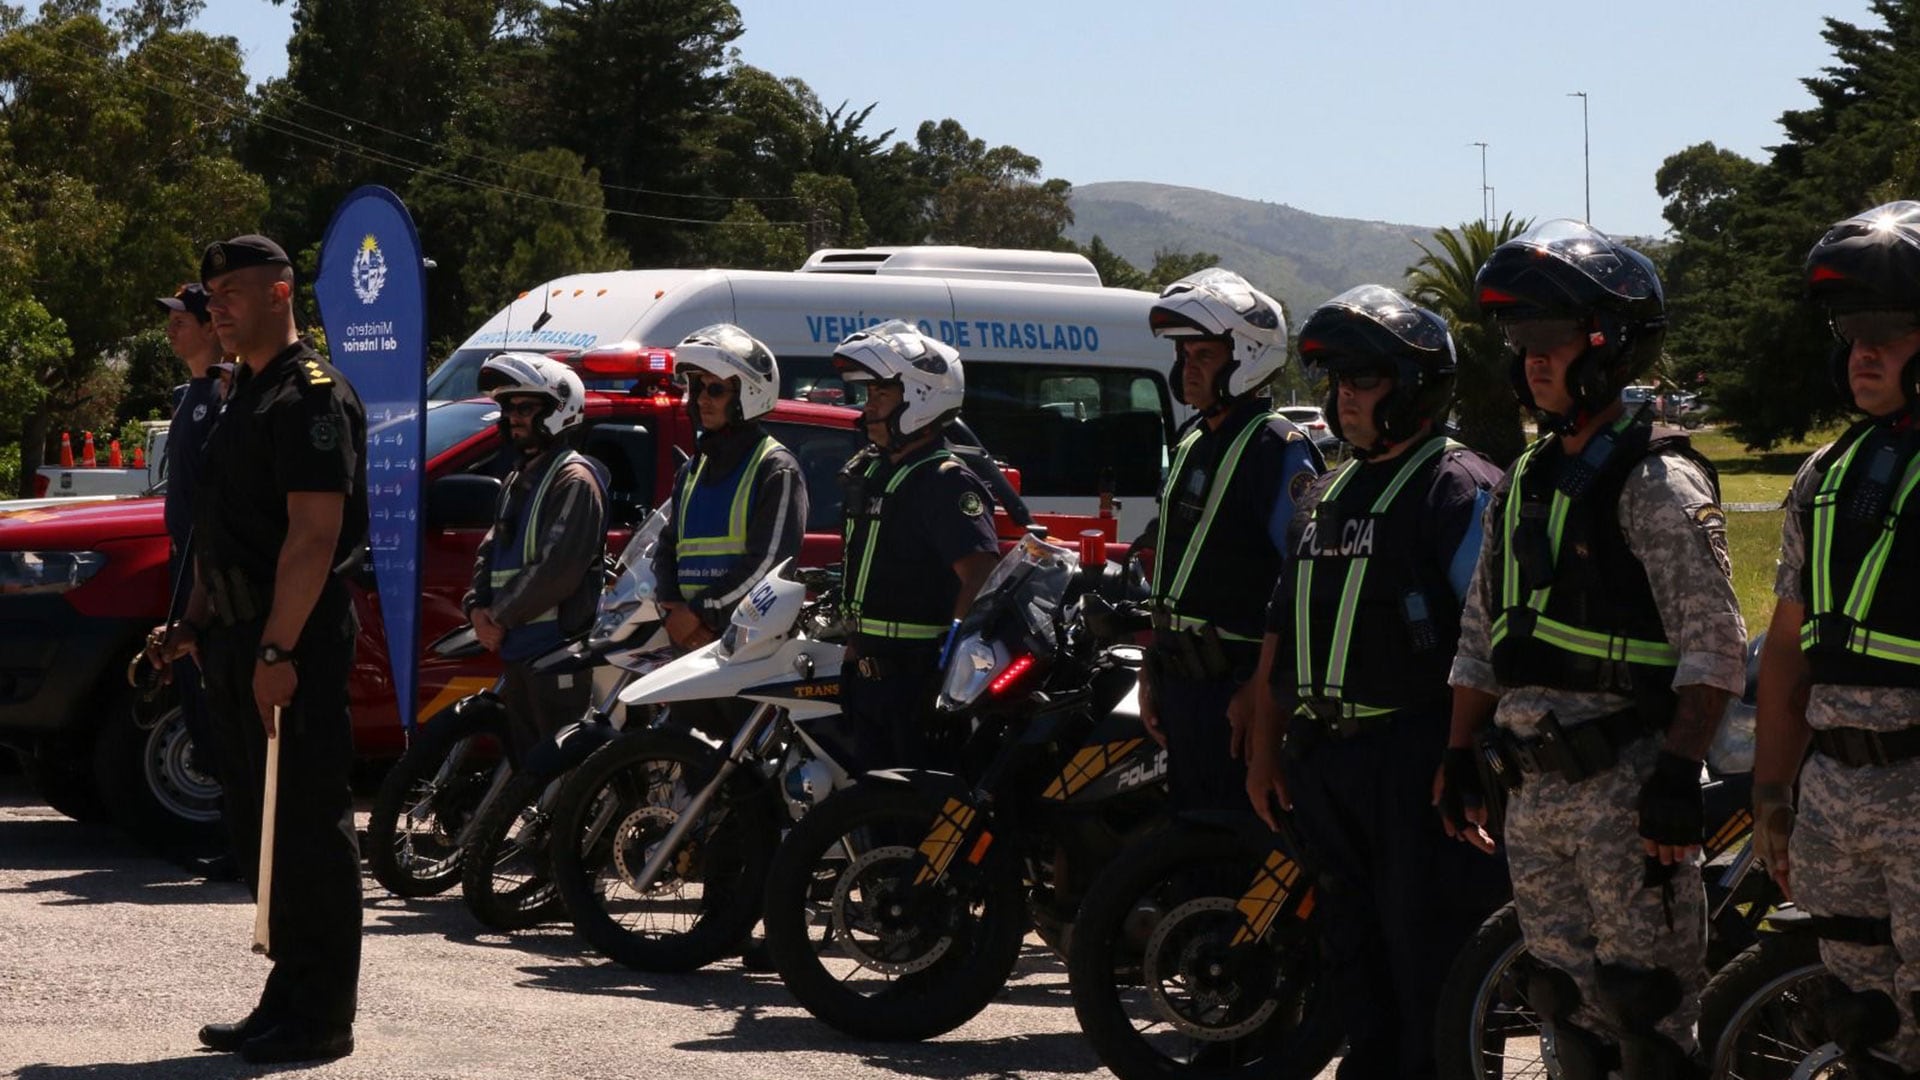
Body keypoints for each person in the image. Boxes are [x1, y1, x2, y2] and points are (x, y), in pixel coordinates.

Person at [1438, 220, 1746, 1078]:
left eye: (1552, 340)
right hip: (1534, 793)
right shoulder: (1525, 479)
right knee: (1564, 1015)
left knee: (1643, 1017)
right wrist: (1460, 749)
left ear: (1609, 346)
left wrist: (1680, 777)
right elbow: (1479, 634)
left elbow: (1715, 644)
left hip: (1629, 795)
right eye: (1521, 340)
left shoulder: (1657, 480)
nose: (1533, 360)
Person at [1244, 285, 1510, 1080]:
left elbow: (1489, 636)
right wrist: (1266, 749)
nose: (1343, 396)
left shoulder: (1459, 488)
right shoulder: (1330, 488)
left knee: (1432, 960)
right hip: (1327, 761)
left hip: (1416, 760)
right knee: (1353, 959)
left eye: (1365, 378)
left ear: (1417, 384)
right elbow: (1281, 626)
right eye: (1336, 380)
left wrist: (1465, 752)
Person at [151, 233, 368, 1064]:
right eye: (213, 298)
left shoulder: (311, 396)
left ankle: (322, 1016)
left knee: (307, 826)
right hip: (239, 637)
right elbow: (221, 529)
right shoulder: (247, 391)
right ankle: (288, 991)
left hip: (294, 641)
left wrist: (277, 654)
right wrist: (193, 624)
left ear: (280, 293)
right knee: (259, 825)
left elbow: (311, 539)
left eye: (233, 293)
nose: (219, 310)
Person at [1752, 201, 1920, 1079]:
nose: (1863, 351)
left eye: (1889, 333)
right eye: (1853, 331)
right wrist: (1774, 788)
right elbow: (1787, 647)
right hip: (1837, 798)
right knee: (1863, 1029)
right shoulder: (1826, 474)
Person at [1139, 268, 1321, 813]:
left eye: (1203, 357)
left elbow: (1299, 590)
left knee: (1233, 851)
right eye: (1183, 357)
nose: (1187, 370)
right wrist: (1154, 666)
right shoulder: (1194, 440)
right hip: (1180, 684)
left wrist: (1261, 698)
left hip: (1234, 690)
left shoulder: (1278, 449)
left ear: (1246, 358)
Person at [825, 320, 1000, 773]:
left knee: (910, 823)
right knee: (870, 818)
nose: (868, 411)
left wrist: (945, 676)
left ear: (921, 397)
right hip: (868, 680)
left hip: (914, 681)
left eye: (880, 396)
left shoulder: (944, 480)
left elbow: (979, 579)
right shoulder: (877, 471)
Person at [462, 353, 608, 761]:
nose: (513, 417)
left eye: (525, 408)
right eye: (508, 408)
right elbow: (490, 549)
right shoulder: (516, 478)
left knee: (561, 772)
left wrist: (499, 616)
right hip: (519, 648)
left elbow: (556, 566)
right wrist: (476, 607)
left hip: (557, 650)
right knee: (528, 770)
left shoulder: (574, 478)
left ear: (559, 410)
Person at [146, 281, 234, 877]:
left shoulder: (225, 395)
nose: (173, 327)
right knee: (198, 703)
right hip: (185, 563)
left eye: (184, 317)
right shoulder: (193, 394)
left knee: (220, 704)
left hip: (209, 570)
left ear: (210, 326)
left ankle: (244, 839)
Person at [651, 324, 808, 649]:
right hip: (689, 640)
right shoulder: (691, 471)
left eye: (715, 390)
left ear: (747, 394)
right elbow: (666, 547)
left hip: (745, 643)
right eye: (697, 389)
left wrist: (700, 614)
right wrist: (672, 608)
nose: (702, 400)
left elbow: (769, 565)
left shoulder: (776, 468)